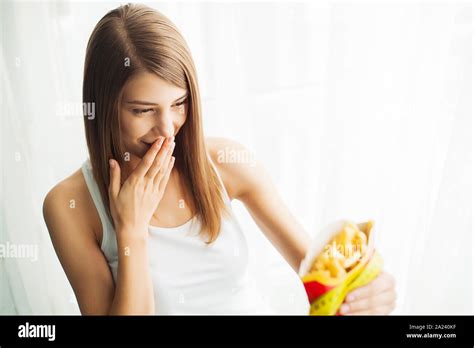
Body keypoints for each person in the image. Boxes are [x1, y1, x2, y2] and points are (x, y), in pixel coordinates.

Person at [43, 3, 396, 315]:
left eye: (179, 104)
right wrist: (131, 231)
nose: (167, 128)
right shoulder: (69, 205)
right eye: (143, 110)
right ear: (104, 108)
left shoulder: (225, 162)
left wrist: (365, 292)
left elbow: (320, 273)